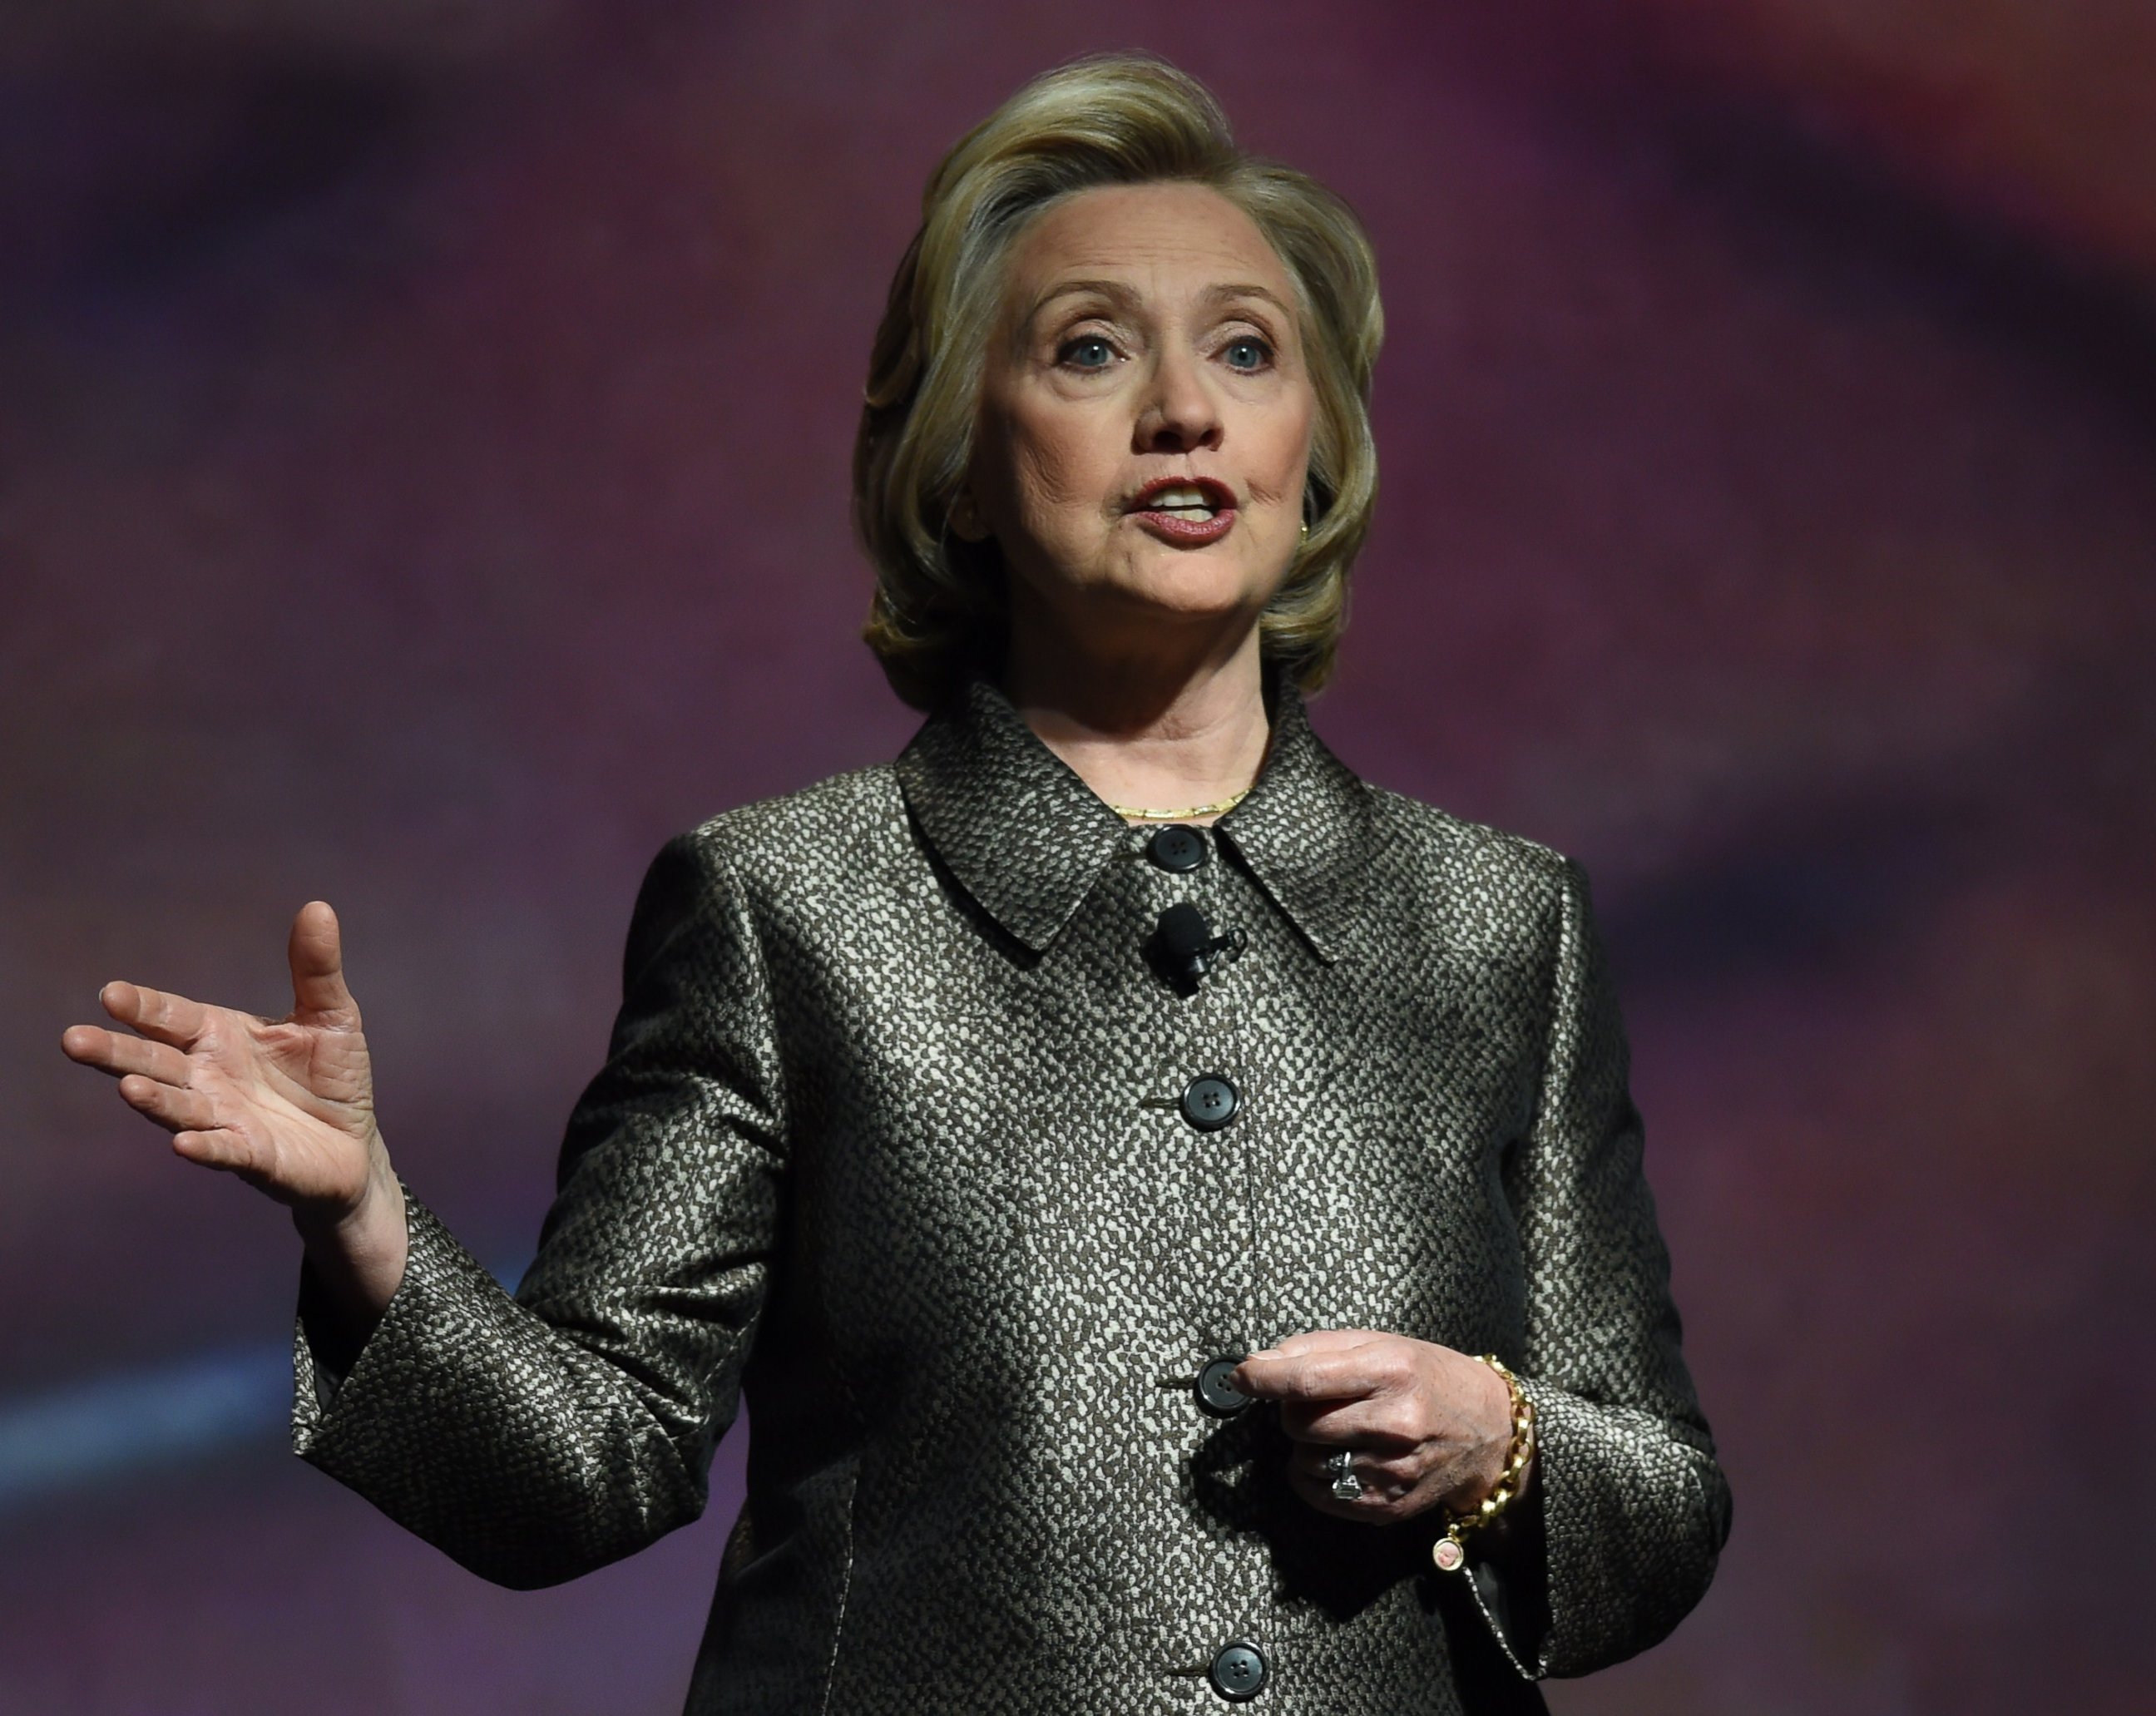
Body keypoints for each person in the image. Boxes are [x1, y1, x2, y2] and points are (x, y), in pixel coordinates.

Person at [60, 53, 1729, 1714]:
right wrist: (368, 1229)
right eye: (1091, 350)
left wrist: (1506, 1446)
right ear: (960, 459)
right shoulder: (788, 910)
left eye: (1246, 348)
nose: (1182, 409)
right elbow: (586, 1464)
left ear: (1317, 455)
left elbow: (1660, 1505)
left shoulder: (1501, 925)